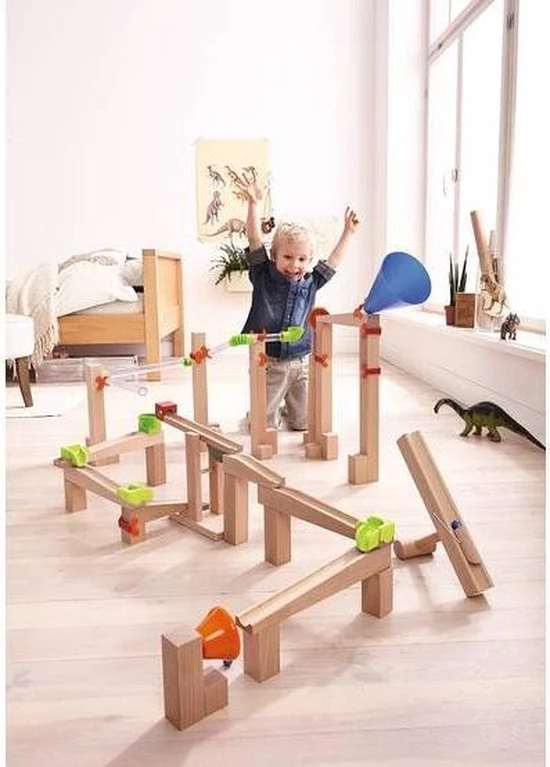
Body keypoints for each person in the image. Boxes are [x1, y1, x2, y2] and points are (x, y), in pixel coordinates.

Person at [241, 182, 360, 431]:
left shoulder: (311, 282)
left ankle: (287, 408)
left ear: (309, 260)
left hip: (300, 362)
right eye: (287, 257)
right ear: (274, 255)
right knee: (263, 427)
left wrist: (348, 233)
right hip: (268, 361)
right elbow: (253, 238)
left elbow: (334, 260)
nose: (294, 264)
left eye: (302, 259)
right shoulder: (262, 274)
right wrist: (253, 203)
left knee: (303, 424)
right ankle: (261, 411)